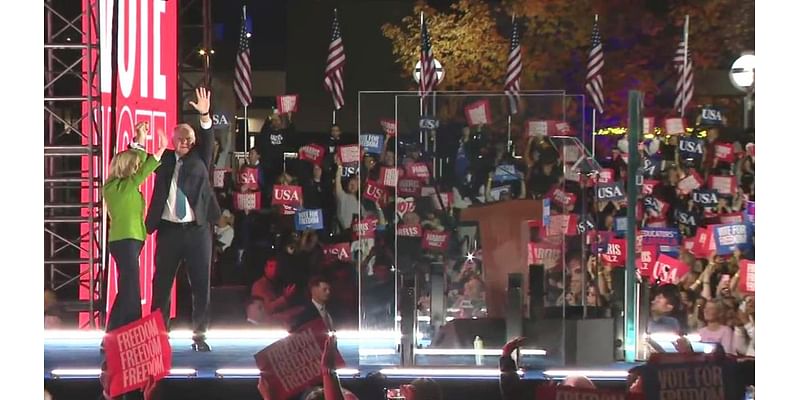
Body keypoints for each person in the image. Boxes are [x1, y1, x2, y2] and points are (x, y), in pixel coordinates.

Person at [144, 87, 220, 352]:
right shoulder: (163, 159)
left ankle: (199, 335)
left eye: (189, 139)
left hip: (197, 231)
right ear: (173, 140)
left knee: (200, 283)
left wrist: (205, 115)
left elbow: (208, 137)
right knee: (161, 285)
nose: (185, 143)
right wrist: (140, 140)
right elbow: (141, 161)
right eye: (180, 139)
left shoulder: (201, 157)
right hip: (169, 231)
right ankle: (158, 335)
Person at [102, 122, 168, 332]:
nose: (139, 166)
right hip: (124, 241)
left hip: (131, 240)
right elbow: (144, 168)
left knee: (127, 289)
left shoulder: (126, 186)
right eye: (134, 165)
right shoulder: (114, 187)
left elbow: (140, 163)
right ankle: (130, 329)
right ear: (126, 167)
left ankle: (114, 331)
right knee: (131, 289)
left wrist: (140, 137)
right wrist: (160, 150)